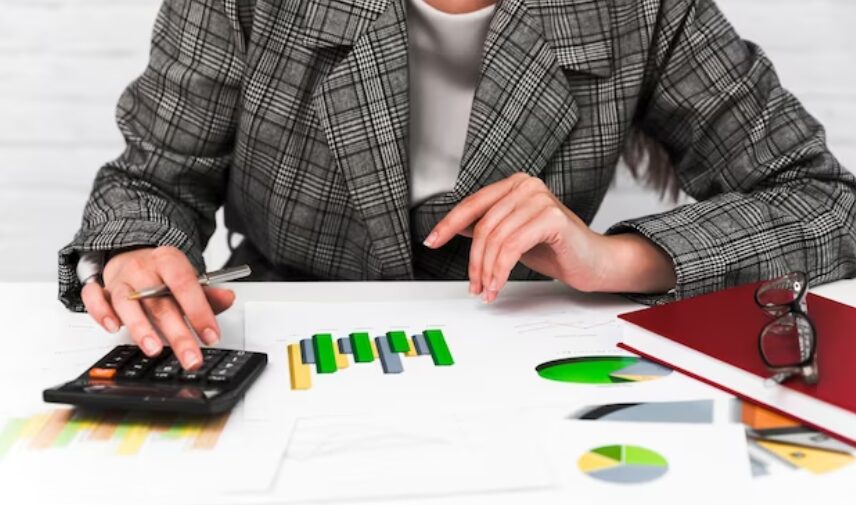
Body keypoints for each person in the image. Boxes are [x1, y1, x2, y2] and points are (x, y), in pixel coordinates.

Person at [59, 0, 856, 371]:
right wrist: (134, 249)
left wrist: (614, 259)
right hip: (285, 345)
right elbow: (154, 182)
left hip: (529, 355)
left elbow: (827, 204)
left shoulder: (642, 8)